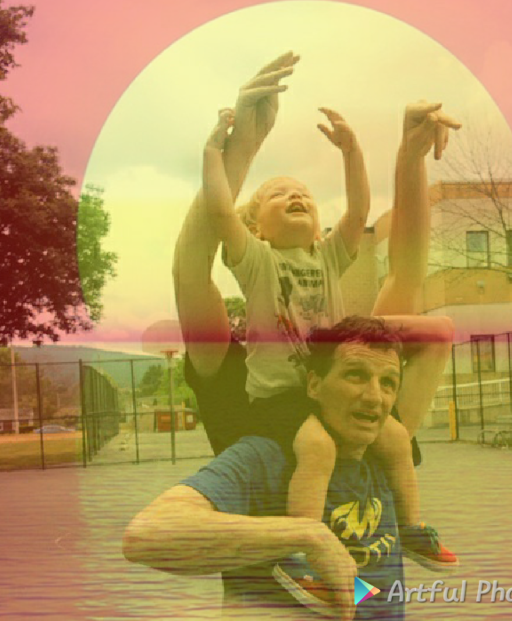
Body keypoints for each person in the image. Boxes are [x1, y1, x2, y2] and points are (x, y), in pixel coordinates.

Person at [174, 53, 461, 570]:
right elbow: (191, 271)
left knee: (416, 349)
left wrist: (411, 155)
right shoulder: (244, 400)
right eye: (280, 195)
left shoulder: (366, 399)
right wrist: (236, 147)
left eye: (303, 194)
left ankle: (408, 533)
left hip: (369, 597)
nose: (374, 391)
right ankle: (305, 553)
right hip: (282, 593)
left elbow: (405, 275)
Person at [123, 314, 453, 621]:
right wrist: (308, 537)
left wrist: (346, 321)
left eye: (389, 383)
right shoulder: (267, 458)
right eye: (356, 375)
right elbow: (147, 534)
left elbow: (438, 333)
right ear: (314, 385)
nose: (374, 397)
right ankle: (303, 564)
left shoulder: (384, 453)